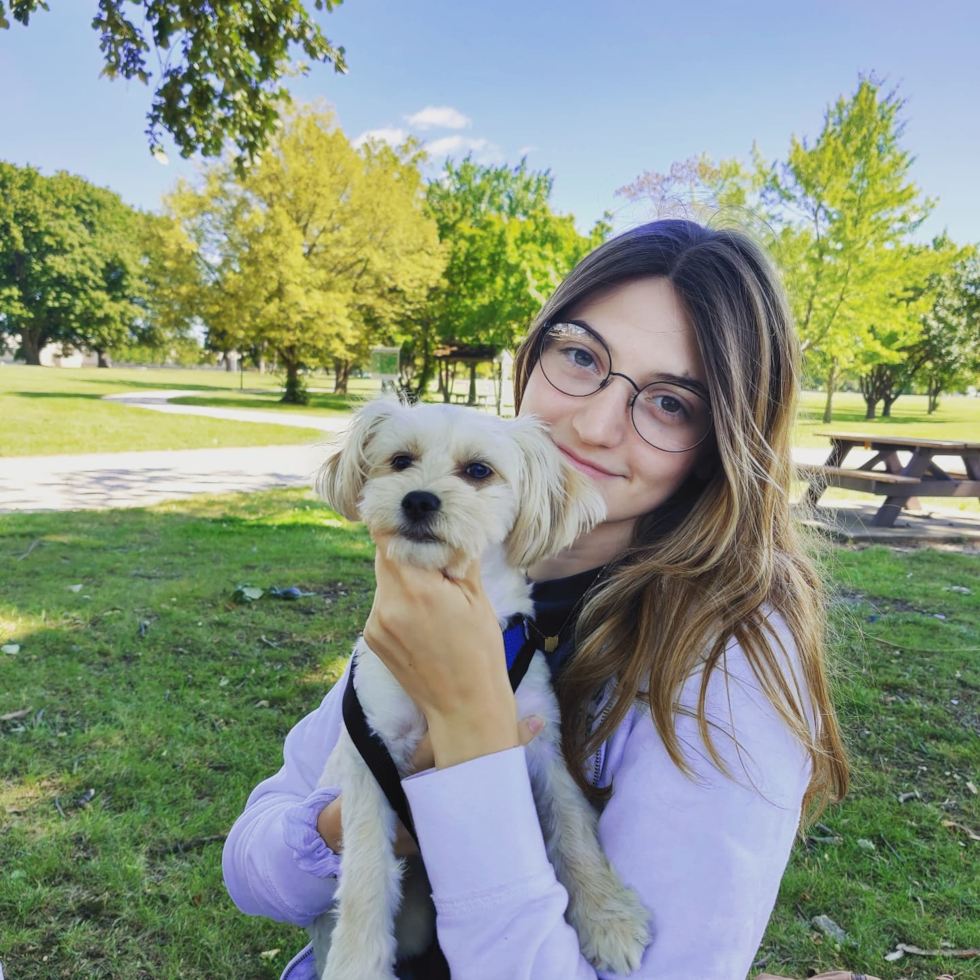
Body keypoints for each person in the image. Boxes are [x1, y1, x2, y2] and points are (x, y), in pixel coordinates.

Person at [222, 219, 859, 980]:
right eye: (582, 356)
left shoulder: (729, 661)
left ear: (717, 445)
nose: (593, 425)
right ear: (531, 357)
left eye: (670, 403)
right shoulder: (452, 588)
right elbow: (253, 870)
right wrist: (375, 817)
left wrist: (469, 732)